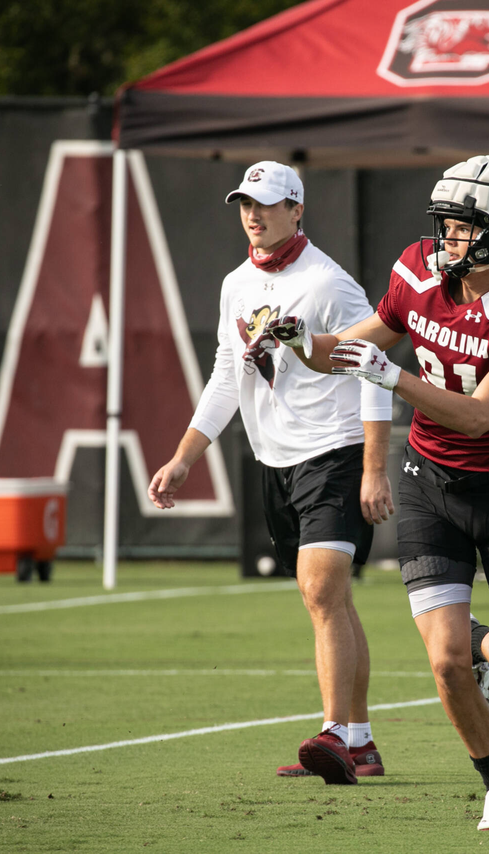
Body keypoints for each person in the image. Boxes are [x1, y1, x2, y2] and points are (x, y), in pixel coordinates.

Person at [268, 155, 489, 831]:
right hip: (429, 485)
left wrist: (391, 376)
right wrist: (294, 340)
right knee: (442, 662)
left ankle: (472, 639)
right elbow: (344, 349)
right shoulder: (416, 270)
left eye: (462, 228)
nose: (446, 240)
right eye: (447, 226)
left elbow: (479, 414)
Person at [146, 161, 394, 785]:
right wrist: (183, 458)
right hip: (275, 461)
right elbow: (227, 376)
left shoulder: (328, 284)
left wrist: (372, 468)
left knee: (320, 589)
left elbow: (374, 366)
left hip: (333, 454)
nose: (253, 215)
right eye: (244, 204)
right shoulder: (236, 283)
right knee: (327, 599)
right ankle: (360, 743)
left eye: (266, 204)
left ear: (297, 209)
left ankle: (335, 732)